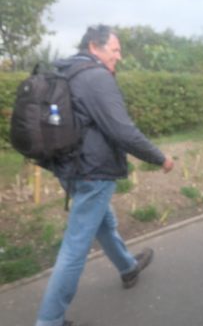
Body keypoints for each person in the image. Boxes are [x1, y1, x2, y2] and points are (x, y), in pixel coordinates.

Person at [35, 25, 174, 326]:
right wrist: (159, 157)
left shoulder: (66, 72)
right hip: (92, 172)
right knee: (75, 247)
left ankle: (127, 267)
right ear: (94, 48)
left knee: (104, 223)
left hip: (69, 167)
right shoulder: (96, 77)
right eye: (115, 49)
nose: (119, 56)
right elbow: (122, 130)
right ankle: (49, 321)